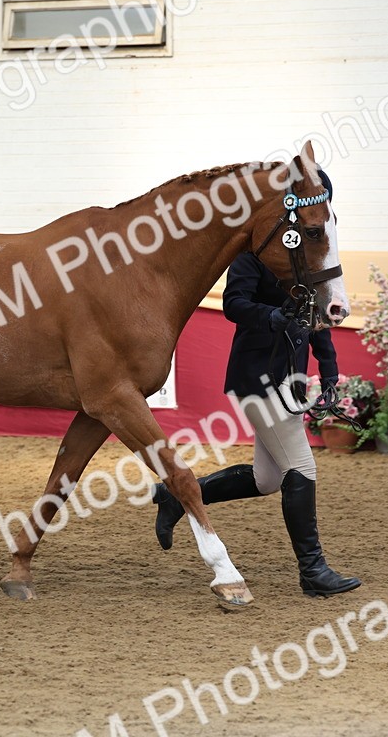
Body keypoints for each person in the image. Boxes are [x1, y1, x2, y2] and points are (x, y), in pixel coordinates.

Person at [151, 171, 361, 598]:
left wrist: (331, 369)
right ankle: (312, 571)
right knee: (302, 467)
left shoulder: (305, 260)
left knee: (268, 479)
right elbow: (233, 304)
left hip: (290, 379)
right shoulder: (252, 256)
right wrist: (271, 316)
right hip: (257, 377)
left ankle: (177, 497)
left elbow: (317, 319)